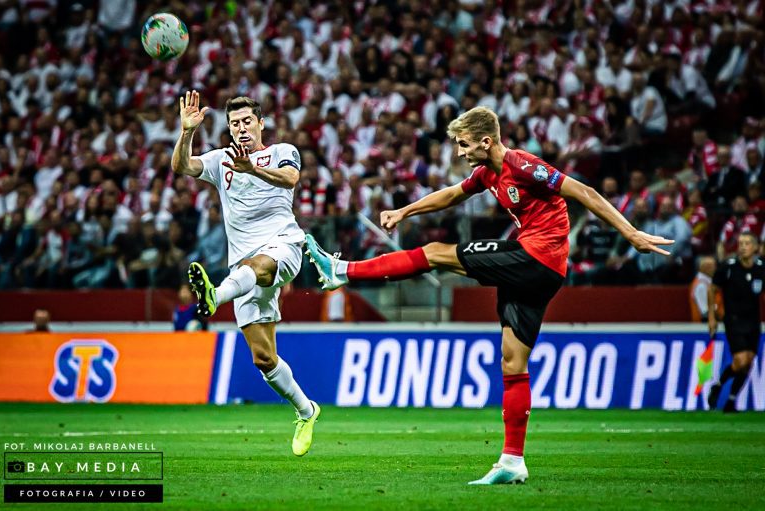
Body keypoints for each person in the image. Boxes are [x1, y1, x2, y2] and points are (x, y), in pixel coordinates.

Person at [304, 106, 673, 484]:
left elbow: (583, 191)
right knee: (513, 363)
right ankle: (512, 461)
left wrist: (631, 233)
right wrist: (405, 211)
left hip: (536, 258)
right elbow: (451, 195)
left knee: (436, 253)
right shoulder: (486, 173)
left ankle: (342, 270)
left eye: (464, 145)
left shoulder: (523, 164)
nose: (459, 152)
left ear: (485, 141)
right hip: (539, 273)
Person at [171, 90, 320, 456]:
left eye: (247, 121)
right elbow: (182, 167)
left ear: (260, 123)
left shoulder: (282, 150)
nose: (241, 128)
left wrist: (253, 168)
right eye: (234, 123)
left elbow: (290, 179)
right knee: (263, 359)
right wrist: (187, 132)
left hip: (283, 246)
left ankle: (214, 296)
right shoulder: (221, 159)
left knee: (255, 266)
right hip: (243, 269)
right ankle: (306, 410)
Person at [707, 232, 764, 413]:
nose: (743, 247)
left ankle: (731, 400)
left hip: (753, 321)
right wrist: (712, 316)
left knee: (748, 363)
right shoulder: (729, 267)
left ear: (755, 247)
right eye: (740, 243)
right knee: (741, 360)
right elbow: (712, 289)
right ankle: (718, 384)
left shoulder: (761, 269)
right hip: (733, 320)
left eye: (747, 243)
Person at [689, 256, 718, 322]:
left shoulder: (707, 283)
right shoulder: (701, 285)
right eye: (713, 266)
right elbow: (705, 312)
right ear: (704, 268)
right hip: (703, 326)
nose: (715, 269)